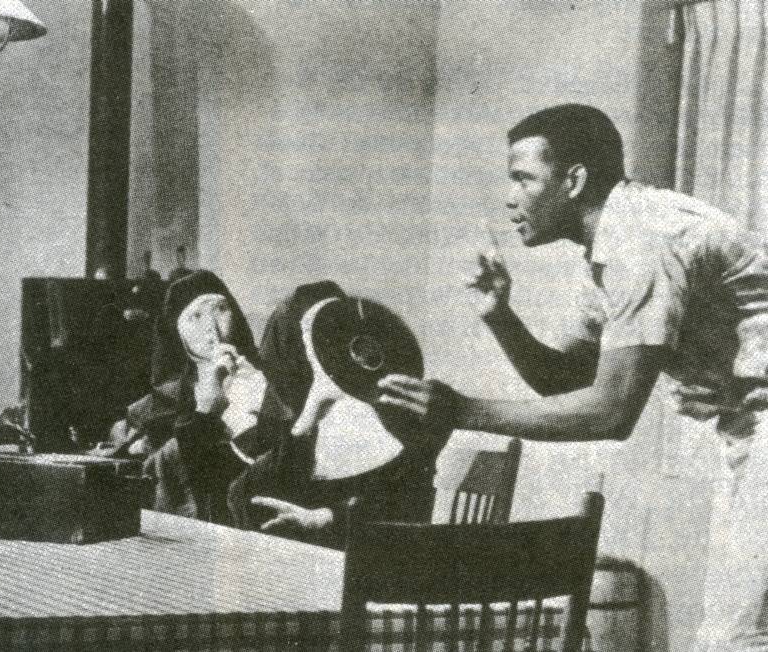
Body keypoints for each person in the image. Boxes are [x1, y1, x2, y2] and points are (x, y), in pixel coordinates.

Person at [378, 104, 768, 651]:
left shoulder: (641, 240)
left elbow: (610, 412)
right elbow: (566, 382)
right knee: (736, 632)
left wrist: (461, 411)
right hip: (749, 431)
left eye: (523, 179)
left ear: (574, 180)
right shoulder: (610, 247)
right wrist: (501, 317)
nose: (510, 198)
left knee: (738, 637)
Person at [230, 289, 449, 549]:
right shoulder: (302, 420)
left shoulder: (395, 415)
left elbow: (404, 503)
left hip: (376, 554)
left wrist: (327, 518)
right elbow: (244, 495)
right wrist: (311, 413)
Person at [136, 270, 288, 523]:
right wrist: (205, 411)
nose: (211, 327)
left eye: (221, 309)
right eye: (195, 316)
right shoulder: (165, 399)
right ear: (177, 332)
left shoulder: (265, 378)